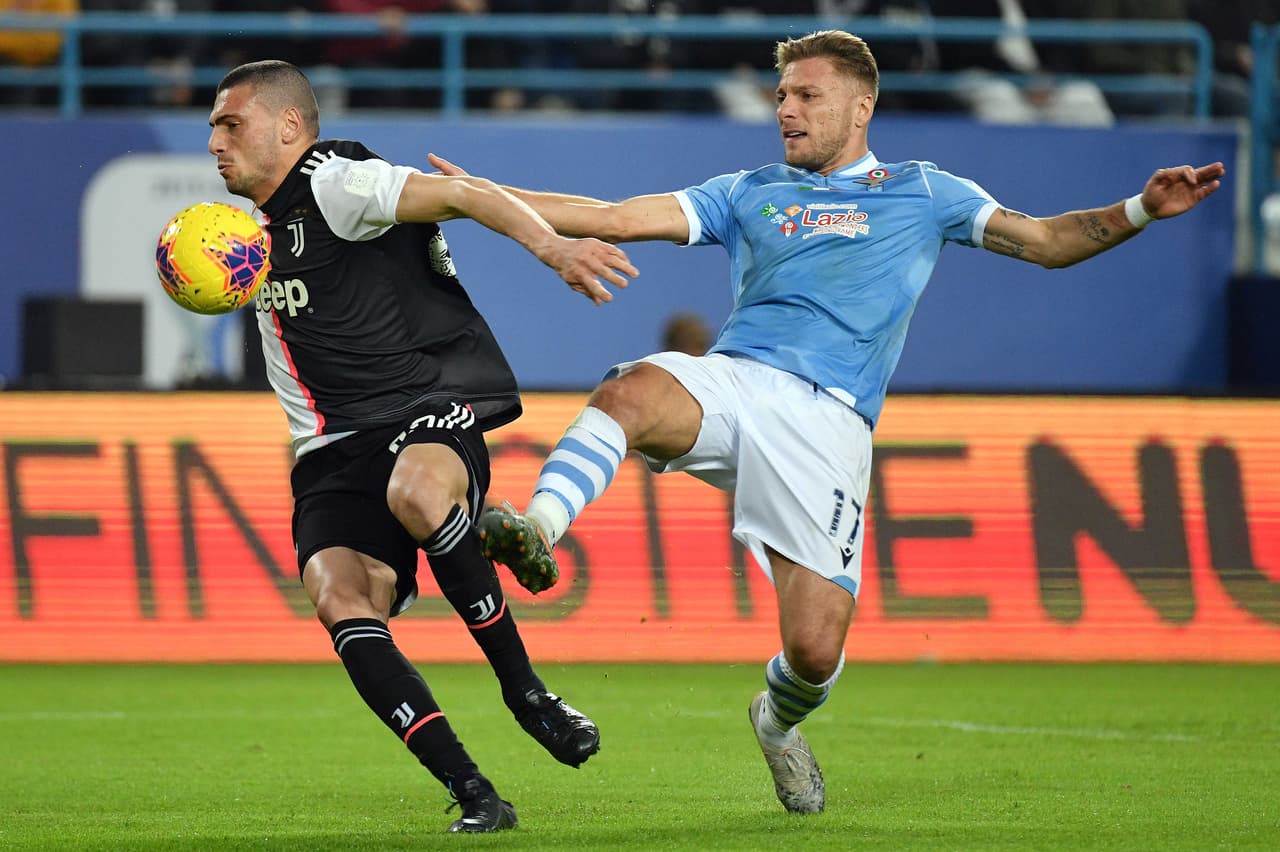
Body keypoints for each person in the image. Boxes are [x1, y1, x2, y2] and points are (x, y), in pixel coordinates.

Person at [429, 29, 1224, 814]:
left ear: (861, 105)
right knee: (630, 391)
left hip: (830, 426)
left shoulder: (925, 192)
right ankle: (536, 527)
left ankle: (775, 723)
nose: (787, 111)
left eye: (808, 95)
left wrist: (1141, 210)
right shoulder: (748, 191)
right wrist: (478, 198)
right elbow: (612, 215)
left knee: (813, 652)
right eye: (782, 96)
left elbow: (1049, 242)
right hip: (738, 382)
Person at [207, 60, 637, 833]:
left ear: (289, 128)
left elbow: (468, 194)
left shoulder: (338, 182)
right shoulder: (237, 237)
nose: (214, 141)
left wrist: (557, 249)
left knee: (417, 495)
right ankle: (475, 793)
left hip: (424, 410)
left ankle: (527, 693)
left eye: (230, 124)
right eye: (212, 125)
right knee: (338, 597)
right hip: (329, 452)